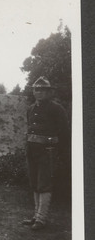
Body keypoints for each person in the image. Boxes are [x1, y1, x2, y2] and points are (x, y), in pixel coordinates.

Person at [22, 76, 69, 230]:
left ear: (49, 92)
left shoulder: (56, 109)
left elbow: (64, 132)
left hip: (48, 151)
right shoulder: (31, 109)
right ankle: (36, 216)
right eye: (37, 89)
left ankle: (42, 219)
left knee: (44, 184)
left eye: (43, 90)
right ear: (33, 92)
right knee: (34, 183)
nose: (39, 92)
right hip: (32, 150)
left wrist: (62, 153)